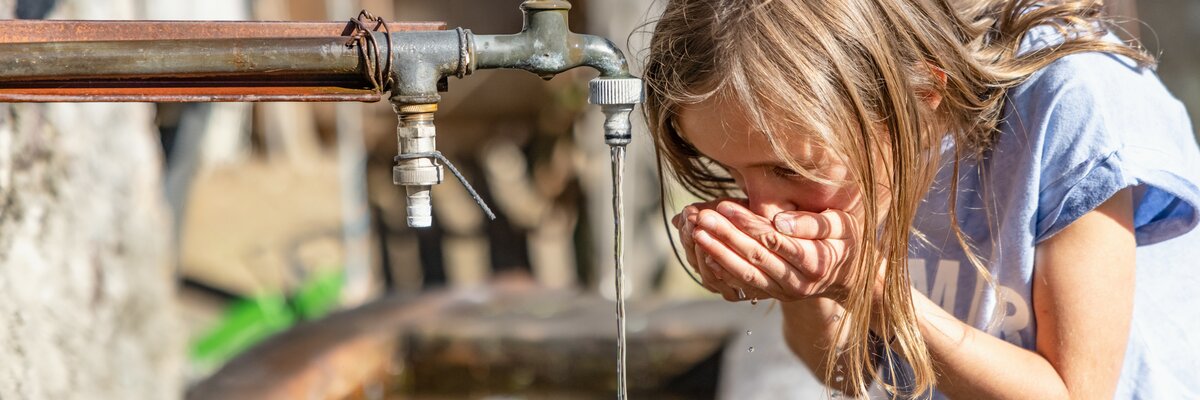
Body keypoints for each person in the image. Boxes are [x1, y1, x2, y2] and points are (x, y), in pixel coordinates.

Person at [642, 0, 1200, 398]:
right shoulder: (849, 146)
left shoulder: (1073, 107)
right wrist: (802, 283)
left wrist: (881, 292)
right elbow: (846, 375)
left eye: (791, 170)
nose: (763, 210)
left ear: (920, 98)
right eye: (731, 173)